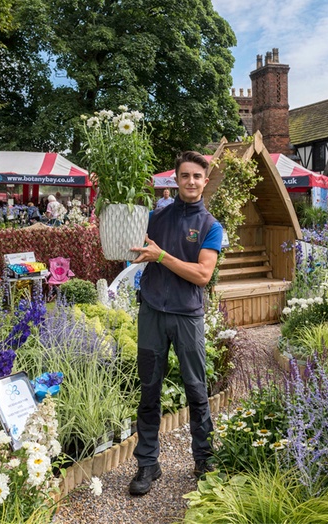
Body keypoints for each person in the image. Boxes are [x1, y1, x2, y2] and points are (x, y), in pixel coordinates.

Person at [127, 151, 223, 496]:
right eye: (185, 176)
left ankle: (203, 459)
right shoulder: (155, 218)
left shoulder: (211, 227)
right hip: (151, 311)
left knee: (196, 390)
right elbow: (133, 248)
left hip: (187, 317)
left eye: (197, 176)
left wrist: (162, 257)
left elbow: (202, 275)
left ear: (205, 181)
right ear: (176, 180)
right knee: (149, 390)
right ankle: (148, 463)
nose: (191, 182)